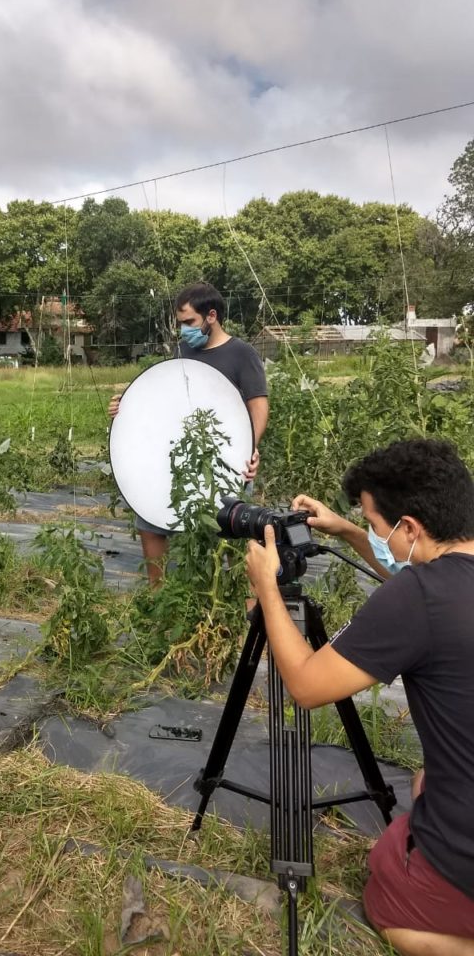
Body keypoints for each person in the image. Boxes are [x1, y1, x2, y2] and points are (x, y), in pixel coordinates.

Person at [245, 438, 474, 956]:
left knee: (387, 898)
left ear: (411, 526)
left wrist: (266, 588)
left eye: (375, 523)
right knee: (425, 779)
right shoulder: (447, 575)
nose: (377, 534)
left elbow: (304, 685)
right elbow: (416, 573)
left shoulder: (417, 598)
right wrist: (348, 531)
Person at [109, 282, 269, 585]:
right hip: (184, 453)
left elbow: (258, 408)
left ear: (211, 316)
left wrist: (250, 448)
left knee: (231, 529)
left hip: (225, 460)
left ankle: (242, 604)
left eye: (189, 323)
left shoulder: (241, 354)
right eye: (180, 324)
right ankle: (158, 593)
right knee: (151, 519)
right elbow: (167, 398)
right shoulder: (183, 351)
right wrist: (126, 405)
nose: (183, 330)